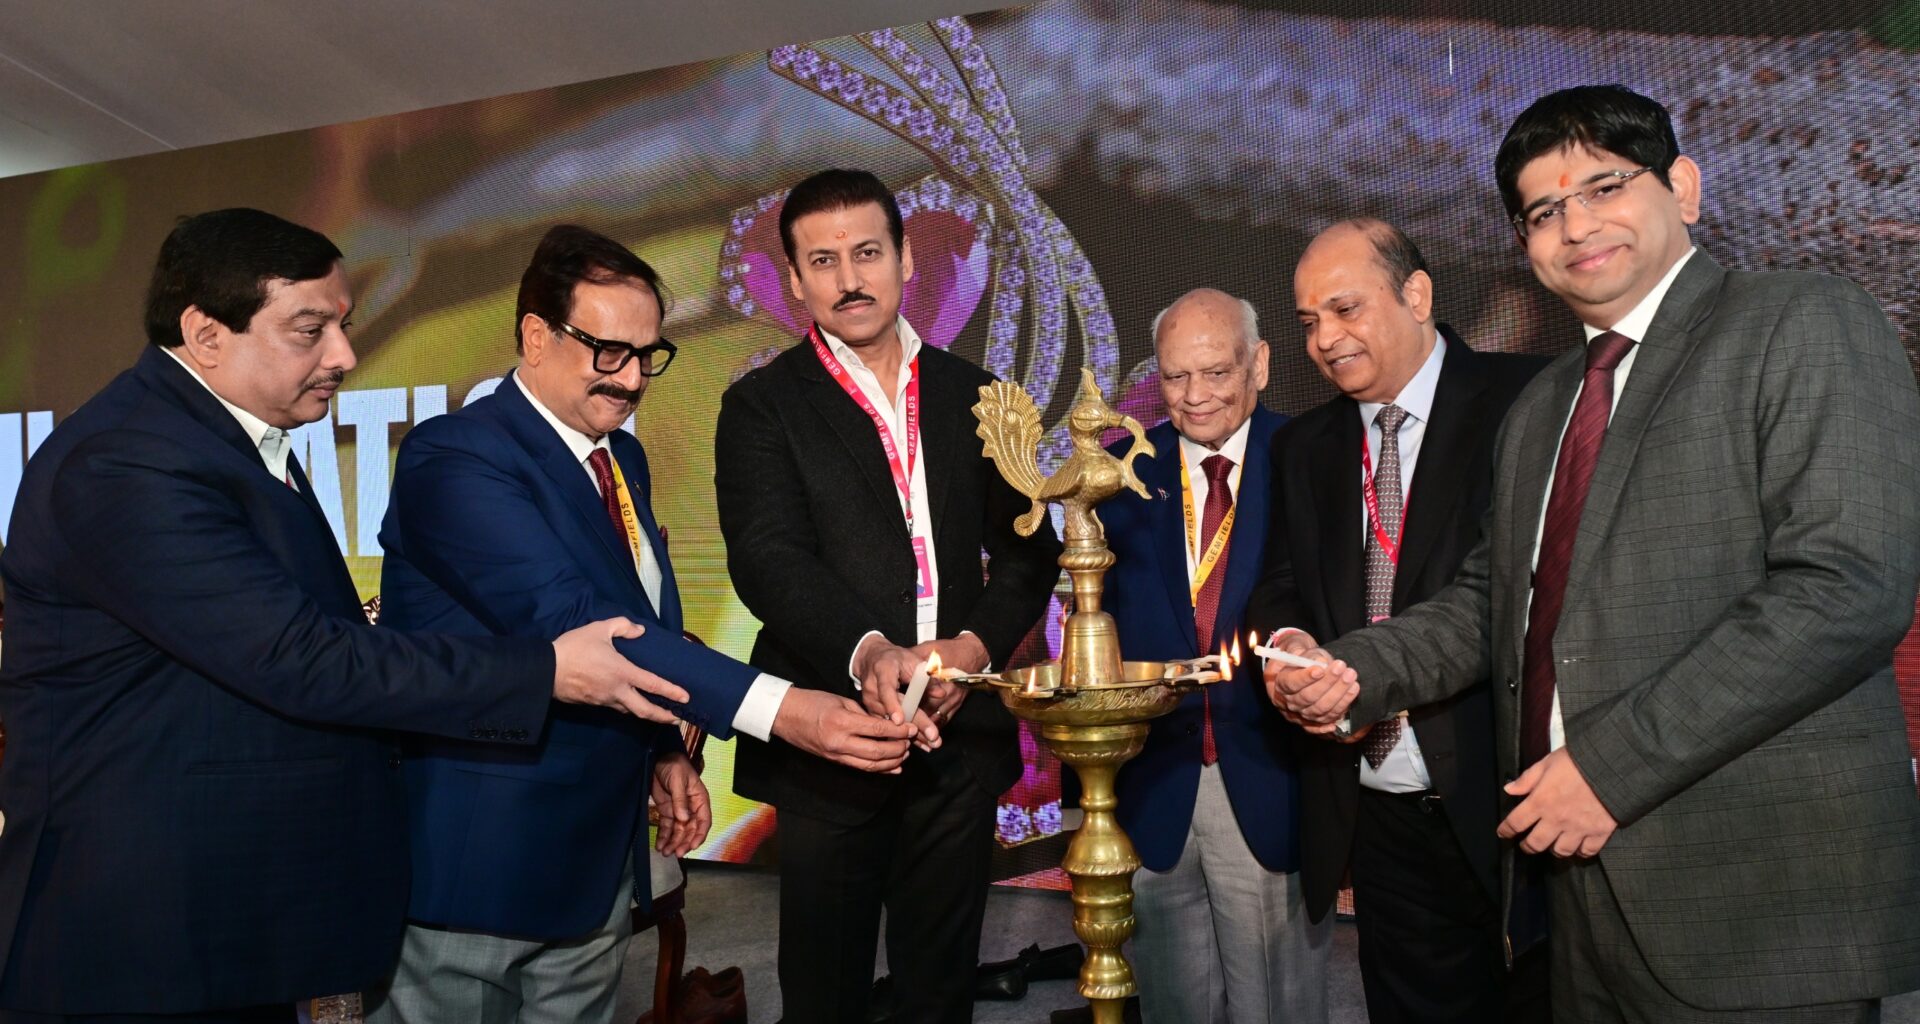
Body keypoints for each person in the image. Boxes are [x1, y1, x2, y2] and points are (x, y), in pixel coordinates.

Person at [1269, 85, 1920, 1023]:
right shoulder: (1546, 404)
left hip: (1756, 902)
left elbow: (1844, 588)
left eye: (1604, 188)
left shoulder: (1801, 321)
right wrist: (1354, 669)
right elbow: (1496, 596)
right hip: (1574, 902)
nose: (1575, 225)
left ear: (1683, 189)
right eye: (1543, 211)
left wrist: (1608, 770)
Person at [0, 209, 678, 1023]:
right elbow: (303, 659)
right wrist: (547, 670)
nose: (346, 356)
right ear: (205, 333)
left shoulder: (230, 444)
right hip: (145, 921)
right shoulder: (124, 460)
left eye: (345, 326)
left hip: (226, 899)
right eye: (309, 329)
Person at [366, 225, 915, 1024]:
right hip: (479, 870)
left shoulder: (621, 458)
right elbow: (580, 624)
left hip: (598, 866)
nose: (630, 380)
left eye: (648, 354)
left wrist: (663, 754)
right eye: (607, 352)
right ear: (535, 336)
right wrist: (790, 711)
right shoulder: (455, 457)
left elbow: (645, 611)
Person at [713, 168, 1062, 1024]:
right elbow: (768, 560)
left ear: (906, 260)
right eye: (823, 261)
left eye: (867, 253)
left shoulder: (978, 397)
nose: (849, 279)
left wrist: (968, 656)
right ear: (794, 280)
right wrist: (871, 654)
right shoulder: (760, 406)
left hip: (958, 734)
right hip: (835, 736)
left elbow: (1028, 555)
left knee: (939, 993)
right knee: (824, 997)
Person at [1246, 219, 1548, 1024]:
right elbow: (1279, 586)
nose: (1324, 339)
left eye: (1345, 310)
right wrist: (1292, 648)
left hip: (1514, 800)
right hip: (1376, 808)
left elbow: (1523, 599)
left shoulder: (1531, 401)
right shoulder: (1304, 446)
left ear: (1416, 295)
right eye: (1309, 322)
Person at [1099, 287, 1331, 1023]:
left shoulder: (1314, 461)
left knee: (1280, 1005)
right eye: (1174, 377)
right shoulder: (1114, 476)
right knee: (1171, 1005)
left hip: (1271, 776)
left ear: (1259, 364)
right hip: (1153, 780)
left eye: (1217, 373)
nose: (1194, 397)